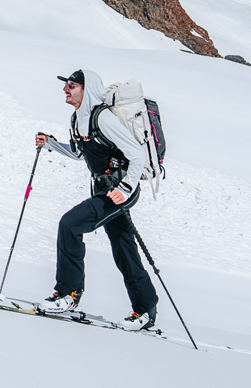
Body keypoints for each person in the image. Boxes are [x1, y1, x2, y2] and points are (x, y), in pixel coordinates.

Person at [34, 69, 158, 331]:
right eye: (65, 85)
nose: (65, 89)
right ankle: (146, 309)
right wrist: (50, 144)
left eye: (71, 85)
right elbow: (80, 153)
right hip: (103, 188)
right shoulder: (78, 118)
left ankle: (68, 294)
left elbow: (137, 156)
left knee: (70, 224)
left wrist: (124, 189)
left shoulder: (103, 118)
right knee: (123, 246)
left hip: (120, 190)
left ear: (86, 89)